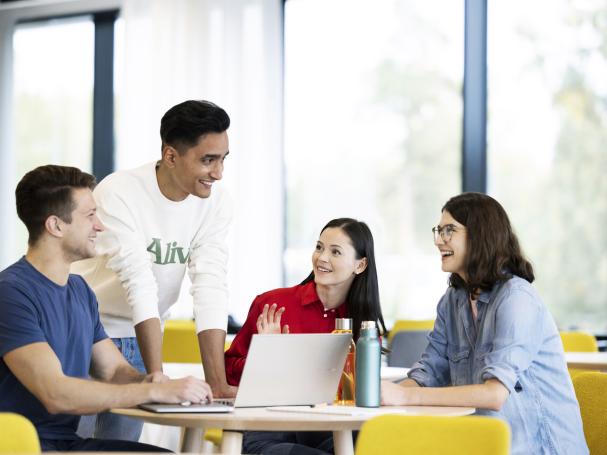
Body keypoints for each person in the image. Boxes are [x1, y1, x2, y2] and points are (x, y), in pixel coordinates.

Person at [0, 165, 212, 452]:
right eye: (89, 216)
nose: (100, 225)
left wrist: (152, 380)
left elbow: (112, 371)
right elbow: (55, 393)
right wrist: (151, 391)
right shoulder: (11, 292)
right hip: (26, 446)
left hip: (67, 444)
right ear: (55, 225)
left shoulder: (80, 290)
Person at [72, 100, 234, 441]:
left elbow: (210, 285)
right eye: (208, 160)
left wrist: (217, 383)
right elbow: (139, 280)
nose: (218, 173)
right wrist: (157, 378)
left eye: (223, 159)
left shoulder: (216, 203)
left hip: (138, 338)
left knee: (121, 448)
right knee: (74, 446)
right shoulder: (120, 191)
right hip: (88, 334)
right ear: (171, 155)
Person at [381, 192, 588, 455]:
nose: (438, 240)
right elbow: (429, 372)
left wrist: (405, 396)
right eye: (438, 230)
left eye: (449, 230)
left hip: (539, 449)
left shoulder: (517, 298)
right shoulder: (453, 300)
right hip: (481, 446)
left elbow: (494, 395)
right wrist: (384, 394)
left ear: (479, 236)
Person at [225, 218, 386, 455]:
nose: (322, 258)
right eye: (319, 247)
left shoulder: (363, 324)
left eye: (335, 252)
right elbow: (229, 370)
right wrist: (267, 353)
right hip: (271, 427)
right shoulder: (272, 304)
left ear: (360, 265)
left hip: (334, 429)